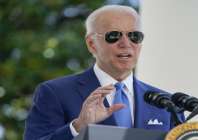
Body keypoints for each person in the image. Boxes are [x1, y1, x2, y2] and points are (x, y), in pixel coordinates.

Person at [24, 5, 184, 140]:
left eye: (134, 36)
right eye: (114, 36)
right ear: (92, 44)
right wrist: (78, 127)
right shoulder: (55, 93)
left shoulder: (166, 103)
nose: (126, 43)